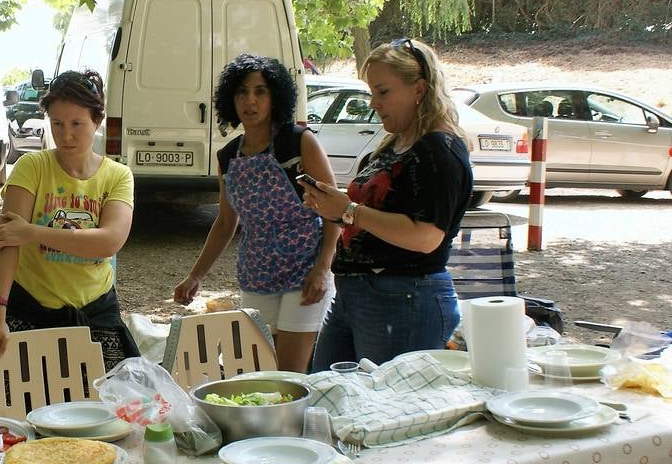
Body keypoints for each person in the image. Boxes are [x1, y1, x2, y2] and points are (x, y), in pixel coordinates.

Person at [0, 69, 138, 391]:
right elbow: (9, 243)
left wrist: (34, 233)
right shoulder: (32, 167)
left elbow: (109, 241)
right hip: (31, 306)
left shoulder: (118, 176)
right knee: (23, 401)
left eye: (76, 124)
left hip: (96, 309)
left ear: (97, 121)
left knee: (106, 404)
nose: (66, 135)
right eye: (57, 124)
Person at [300, 38, 473, 369]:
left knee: (387, 411)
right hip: (358, 293)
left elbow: (426, 237)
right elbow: (371, 220)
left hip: (404, 297)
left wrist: (349, 211)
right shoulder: (395, 143)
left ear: (419, 90)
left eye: (383, 92)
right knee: (327, 396)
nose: (374, 104)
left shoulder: (438, 149)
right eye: (371, 94)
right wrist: (333, 209)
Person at [173, 55, 338, 372]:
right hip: (257, 275)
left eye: (260, 91)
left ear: (275, 96)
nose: (250, 101)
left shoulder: (299, 142)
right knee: (259, 370)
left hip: (303, 269)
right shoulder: (228, 155)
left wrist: (323, 267)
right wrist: (195, 276)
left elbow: (334, 209)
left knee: (291, 374)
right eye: (242, 92)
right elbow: (224, 223)